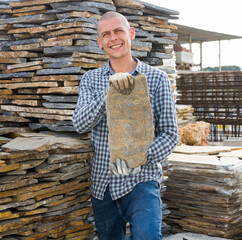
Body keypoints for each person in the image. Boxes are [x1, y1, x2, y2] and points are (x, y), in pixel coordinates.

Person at [72, 11, 178, 240]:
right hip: (103, 183)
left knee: (147, 237)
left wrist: (139, 156)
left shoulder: (156, 78)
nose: (114, 38)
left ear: (130, 34)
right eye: (106, 34)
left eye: (118, 31)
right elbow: (79, 124)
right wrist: (108, 94)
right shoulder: (91, 80)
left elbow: (170, 134)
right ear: (100, 43)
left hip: (141, 180)